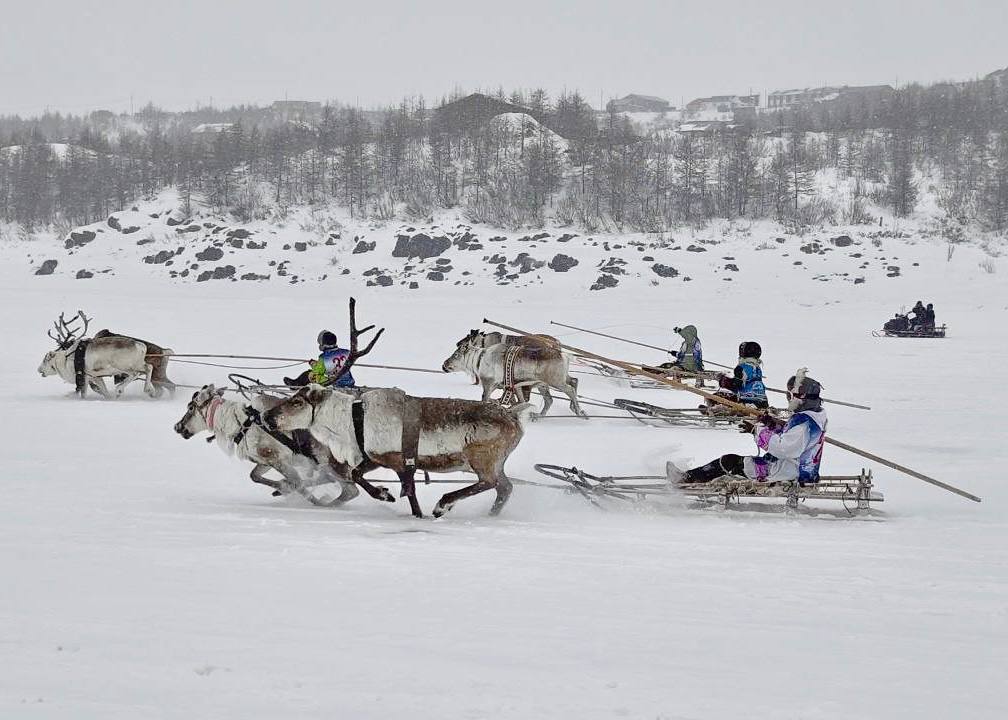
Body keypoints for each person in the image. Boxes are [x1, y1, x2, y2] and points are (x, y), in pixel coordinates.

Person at [671, 369, 827, 486]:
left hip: (788, 471)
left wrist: (758, 430)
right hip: (793, 467)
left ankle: (686, 480)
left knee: (730, 461)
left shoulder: (804, 422)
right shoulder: (814, 417)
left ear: (800, 398)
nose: (788, 399)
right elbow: (791, 439)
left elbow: (784, 448)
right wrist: (772, 425)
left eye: (790, 395)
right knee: (735, 462)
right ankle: (696, 478)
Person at [283, 330, 356, 388]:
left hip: (334, 383)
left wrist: (313, 364)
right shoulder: (346, 352)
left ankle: (295, 385)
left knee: (309, 374)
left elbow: (318, 371)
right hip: (348, 382)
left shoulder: (324, 357)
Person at [716, 341, 768, 409]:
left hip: (747, 399)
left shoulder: (741, 368)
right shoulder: (757, 368)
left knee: (721, 396)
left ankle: (718, 408)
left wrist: (725, 382)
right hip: (763, 400)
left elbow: (737, 384)